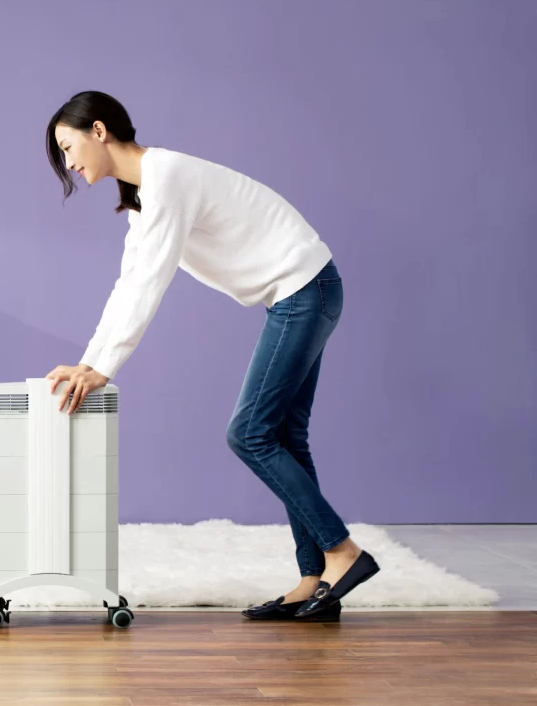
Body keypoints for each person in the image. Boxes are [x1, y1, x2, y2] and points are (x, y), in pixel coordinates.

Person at [43, 91, 379, 620]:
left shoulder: (167, 177)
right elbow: (130, 281)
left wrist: (105, 368)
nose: (68, 163)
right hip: (304, 290)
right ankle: (315, 579)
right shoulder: (147, 194)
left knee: (249, 434)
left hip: (303, 290)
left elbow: (150, 280)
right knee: (286, 437)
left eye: (68, 147)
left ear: (99, 131)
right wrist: (90, 362)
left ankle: (343, 553)